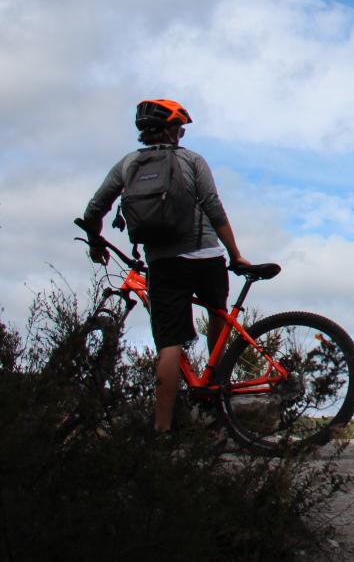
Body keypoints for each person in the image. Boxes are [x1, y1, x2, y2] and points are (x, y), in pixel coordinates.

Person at [81, 99, 251, 433]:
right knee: (218, 313)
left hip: (163, 261)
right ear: (172, 130)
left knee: (169, 344)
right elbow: (214, 208)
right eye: (181, 128)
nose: (182, 133)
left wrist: (94, 243)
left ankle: (161, 431)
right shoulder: (192, 160)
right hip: (207, 256)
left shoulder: (128, 164)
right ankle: (213, 389)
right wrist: (235, 254)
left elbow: (93, 210)